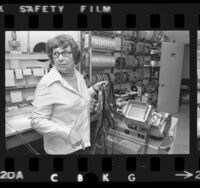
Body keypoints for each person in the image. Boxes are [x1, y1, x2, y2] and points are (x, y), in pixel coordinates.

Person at [30, 34, 108, 155]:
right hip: (63, 150)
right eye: (56, 54)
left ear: (75, 57)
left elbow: (78, 98)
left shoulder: (78, 76)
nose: (60, 58)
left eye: (65, 53)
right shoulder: (47, 83)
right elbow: (37, 121)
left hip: (83, 142)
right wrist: (67, 132)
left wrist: (93, 89)